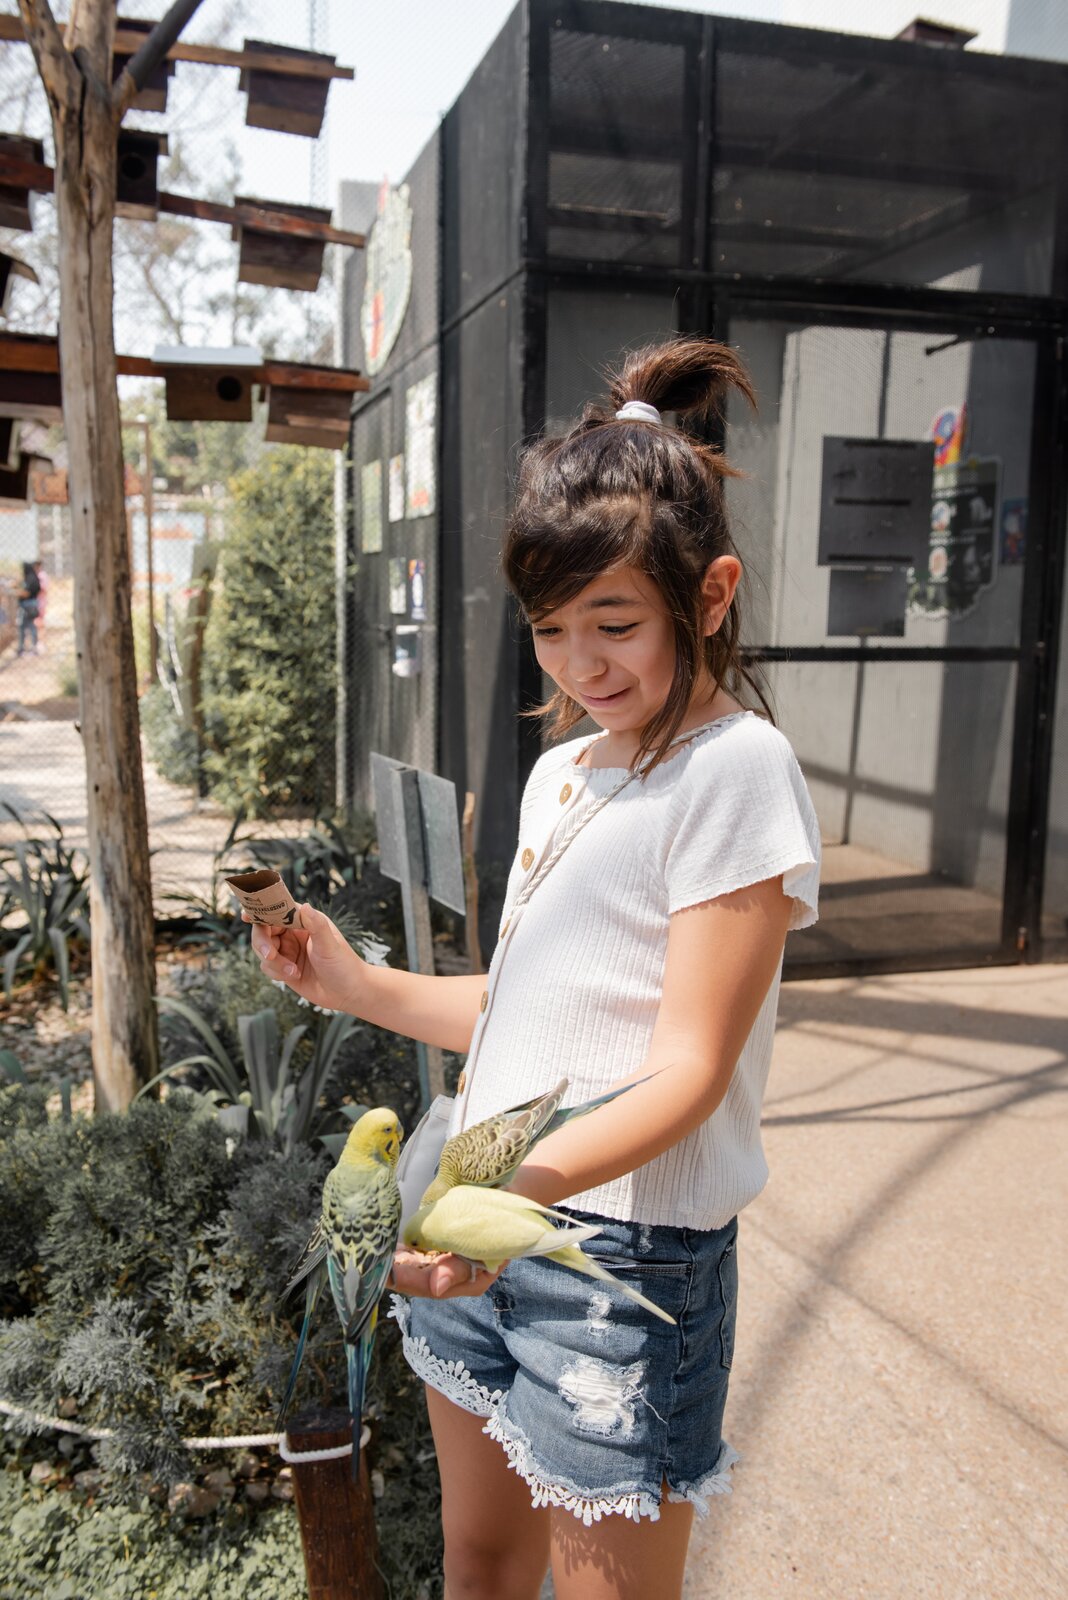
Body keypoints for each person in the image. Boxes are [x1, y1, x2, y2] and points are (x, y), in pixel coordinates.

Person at [250, 336, 821, 1600]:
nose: (578, 664)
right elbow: (529, 1015)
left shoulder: (737, 772)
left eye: (613, 624)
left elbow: (687, 1070)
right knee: (483, 1561)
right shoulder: (564, 772)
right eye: (551, 629)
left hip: (619, 1261)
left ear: (711, 594)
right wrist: (354, 982)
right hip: (479, 1217)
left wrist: (499, 1198)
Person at [16, 560, 41, 657]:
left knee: (27, 626)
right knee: (27, 626)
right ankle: (29, 647)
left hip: (28, 606)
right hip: (31, 604)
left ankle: (28, 647)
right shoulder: (33, 577)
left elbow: (26, 593)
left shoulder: (30, 579)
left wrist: (16, 593)